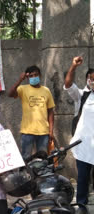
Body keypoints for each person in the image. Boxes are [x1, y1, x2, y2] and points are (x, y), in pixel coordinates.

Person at [64, 56, 94, 205]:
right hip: (83, 145)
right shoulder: (81, 95)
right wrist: (73, 66)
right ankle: (82, 203)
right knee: (82, 177)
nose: (93, 81)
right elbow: (68, 84)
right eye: (91, 78)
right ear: (87, 80)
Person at [8, 65, 55, 160]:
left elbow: (50, 112)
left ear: (40, 75)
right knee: (26, 158)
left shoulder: (46, 90)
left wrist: (51, 131)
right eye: (31, 76)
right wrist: (20, 80)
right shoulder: (23, 89)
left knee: (42, 159)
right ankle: (25, 175)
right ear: (27, 77)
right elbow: (10, 94)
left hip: (43, 132)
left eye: (36, 75)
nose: (34, 77)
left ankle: (40, 175)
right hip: (27, 131)